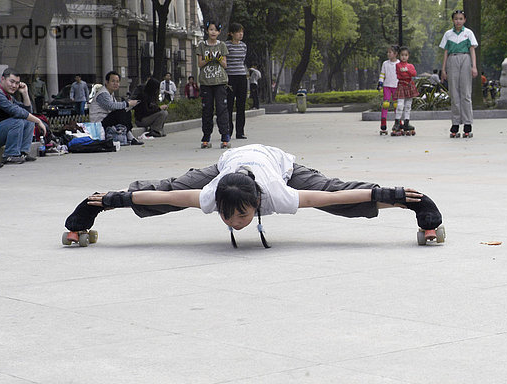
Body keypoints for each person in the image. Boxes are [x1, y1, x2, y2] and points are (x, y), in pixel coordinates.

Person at [63, 144, 444, 248]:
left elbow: (329, 198)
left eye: (242, 217)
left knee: (339, 197)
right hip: (225, 167)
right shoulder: (214, 194)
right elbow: (160, 199)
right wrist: (113, 200)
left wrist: (391, 195)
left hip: (281, 165)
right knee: (169, 191)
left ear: (258, 205)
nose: (236, 224)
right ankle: (95, 205)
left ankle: (412, 205)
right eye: (229, 219)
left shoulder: (277, 194)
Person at [0, 68, 47, 164]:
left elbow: (27, 111)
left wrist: (25, 93)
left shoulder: (9, 96)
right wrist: (38, 121)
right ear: (2, 79)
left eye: (17, 83)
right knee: (17, 121)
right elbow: (17, 112)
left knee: (29, 120)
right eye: (12, 82)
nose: (14, 86)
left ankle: (23, 153)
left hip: (0, 132)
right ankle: (10, 155)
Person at [440, 10, 478, 139]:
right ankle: (455, 123)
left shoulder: (468, 33)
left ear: (464, 20)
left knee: (465, 93)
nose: (458, 21)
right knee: (454, 93)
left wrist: (474, 66)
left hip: (465, 59)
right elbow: (445, 52)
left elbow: (472, 50)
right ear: (453, 20)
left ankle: (468, 124)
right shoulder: (448, 34)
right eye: (456, 19)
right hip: (452, 59)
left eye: (461, 18)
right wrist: (443, 69)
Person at [196, 21, 230, 149]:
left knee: (222, 109)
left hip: (220, 82)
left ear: (219, 32)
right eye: (211, 30)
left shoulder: (222, 45)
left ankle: (225, 136)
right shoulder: (201, 46)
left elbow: (225, 64)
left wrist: (219, 58)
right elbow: (200, 64)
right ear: (207, 31)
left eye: (216, 30)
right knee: (207, 110)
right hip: (206, 82)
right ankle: (206, 137)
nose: (213, 32)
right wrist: (209, 58)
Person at [88, 71, 142, 146]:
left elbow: (116, 107)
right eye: (113, 81)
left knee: (125, 111)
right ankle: (129, 137)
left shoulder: (110, 94)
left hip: (106, 120)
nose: (115, 84)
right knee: (122, 111)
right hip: (99, 124)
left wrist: (129, 105)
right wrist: (127, 103)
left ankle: (129, 136)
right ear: (106, 82)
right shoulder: (103, 94)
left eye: (117, 81)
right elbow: (111, 106)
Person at [226, 22, 248, 139]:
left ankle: (240, 131)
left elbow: (242, 60)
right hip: (230, 77)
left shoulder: (243, 46)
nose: (241, 34)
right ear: (231, 34)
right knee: (229, 105)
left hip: (242, 76)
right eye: (238, 32)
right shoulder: (226, 45)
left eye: (242, 32)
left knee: (241, 105)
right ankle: (228, 130)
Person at [393, 46, 419, 136]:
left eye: (406, 55)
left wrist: (406, 71)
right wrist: (407, 72)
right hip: (401, 85)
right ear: (399, 56)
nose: (404, 57)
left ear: (408, 56)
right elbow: (399, 75)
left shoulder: (410, 65)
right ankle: (397, 123)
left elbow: (414, 73)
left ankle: (407, 122)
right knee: (400, 105)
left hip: (409, 86)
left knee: (408, 105)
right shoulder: (397, 65)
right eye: (402, 55)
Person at [377, 45, 400, 135]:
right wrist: (380, 83)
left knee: (396, 105)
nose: (388, 54)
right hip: (387, 86)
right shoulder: (385, 63)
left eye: (390, 52)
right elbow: (382, 74)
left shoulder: (399, 64)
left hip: (396, 86)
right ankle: (383, 124)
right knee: (385, 104)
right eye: (388, 52)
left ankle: (398, 123)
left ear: (395, 54)